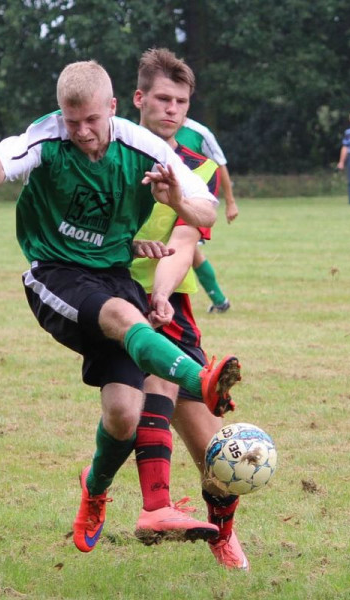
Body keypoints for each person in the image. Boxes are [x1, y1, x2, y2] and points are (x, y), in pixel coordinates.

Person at [0, 60, 243, 555]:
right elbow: (6, 162)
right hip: (57, 274)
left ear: (112, 108)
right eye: (73, 122)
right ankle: (197, 380)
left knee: (121, 414)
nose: (83, 132)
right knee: (124, 317)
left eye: (91, 121)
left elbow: (205, 213)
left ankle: (96, 491)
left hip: (114, 277)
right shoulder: (49, 138)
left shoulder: (145, 150)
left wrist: (177, 197)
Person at [129, 47, 250, 570]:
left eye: (181, 101)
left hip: (167, 301)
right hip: (112, 296)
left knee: (214, 451)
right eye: (162, 98)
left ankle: (222, 533)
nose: (173, 109)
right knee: (128, 406)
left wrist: (160, 293)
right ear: (139, 99)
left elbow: (183, 242)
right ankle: (145, 504)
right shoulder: (110, 152)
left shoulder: (197, 167)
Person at [175, 118, 237, 313]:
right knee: (190, 254)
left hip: (192, 202)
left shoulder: (199, 132)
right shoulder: (148, 129)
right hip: (160, 202)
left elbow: (221, 164)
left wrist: (231, 202)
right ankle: (219, 300)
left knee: (186, 252)